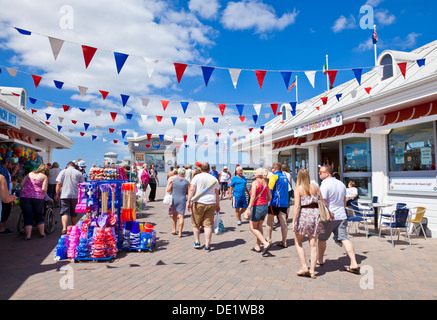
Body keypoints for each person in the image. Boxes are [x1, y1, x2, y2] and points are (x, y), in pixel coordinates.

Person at [317, 165, 360, 274]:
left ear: (327, 173)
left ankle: (320, 259)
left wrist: (325, 213)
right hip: (341, 215)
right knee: (344, 238)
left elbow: (323, 201)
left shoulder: (325, 185)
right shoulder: (341, 184)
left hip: (330, 217)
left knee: (322, 238)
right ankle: (354, 262)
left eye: (320, 171)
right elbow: (344, 200)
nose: (319, 173)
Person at [292, 169, 326, 279]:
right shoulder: (315, 187)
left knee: (298, 241)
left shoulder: (298, 189)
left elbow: (297, 206)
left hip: (303, 216)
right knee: (313, 244)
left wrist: (293, 221)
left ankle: (304, 266)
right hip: (315, 216)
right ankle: (312, 271)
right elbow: (322, 200)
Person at [187, 162, 220, 252]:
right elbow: (217, 194)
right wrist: (218, 204)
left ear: (200, 169)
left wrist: (188, 201)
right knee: (208, 225)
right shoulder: (214, 179)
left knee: (196, 223)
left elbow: (192, 190)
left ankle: (197, 242)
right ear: (209, 169)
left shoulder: (196, 177)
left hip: (199, 202)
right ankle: (208, 245)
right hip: (211, 202)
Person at [19, 164, 50, 240]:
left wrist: (25, 191)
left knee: (27, 216)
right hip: (38, 198)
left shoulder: (29, 174)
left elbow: (21, 184)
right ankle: (42, 234)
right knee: (39, 215)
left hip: (25, 197)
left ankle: (28, 236)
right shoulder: (44, 177)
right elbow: (44, 189)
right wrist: (42, 195)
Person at [246, 168, 272, 255]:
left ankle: (265, 243)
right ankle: (258, 246)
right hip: (264, 206)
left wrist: (249, 207)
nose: (254, 174)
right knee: (259, 227)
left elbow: (253, 195)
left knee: (252, 228)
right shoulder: (265, 183)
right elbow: (269, 197)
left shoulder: (255, 182)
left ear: (258, 175)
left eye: (255, 173)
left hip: (256, 206)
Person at [55, 161, 85, 235]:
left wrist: (56, 194)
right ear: (74, 166)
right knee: (74, 212)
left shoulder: (63, 172)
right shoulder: (78, 173)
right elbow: (82, 185)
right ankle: (73, 227)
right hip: (75, 195)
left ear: (67, 166)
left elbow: (59, 183)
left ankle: (64, 228)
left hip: (64, 195)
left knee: (65, 212)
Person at [266, 162, 290, 248]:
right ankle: (284, 241)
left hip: (275, 202)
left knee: (269, 221)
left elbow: (269, 188)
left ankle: (268, 239)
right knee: (283, 222)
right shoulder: (285, 176)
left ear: (274, 169)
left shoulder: (274, 176)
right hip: (284, 202)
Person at [166, 167, 189, 238]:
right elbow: (188, 192)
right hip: (182, 199)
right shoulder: (187, 181)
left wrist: (171, 185)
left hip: (174, 198)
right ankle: (180, 233)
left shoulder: (173, 180)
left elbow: (168, 190)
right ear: (184, 173)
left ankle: (174, 230)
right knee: (181, 216)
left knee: (174, 215)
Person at [0, 157, 19, 235]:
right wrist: (12, 197)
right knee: (4, 211)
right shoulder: (2, 170)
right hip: (4, 194)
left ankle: (2, 228)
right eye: (12, 164)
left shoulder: (6, 170)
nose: (13, 166)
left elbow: (11, 176)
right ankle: (1, 228)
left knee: (5, 211)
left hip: (7, 193)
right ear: (7, 162)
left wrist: (16, 168)